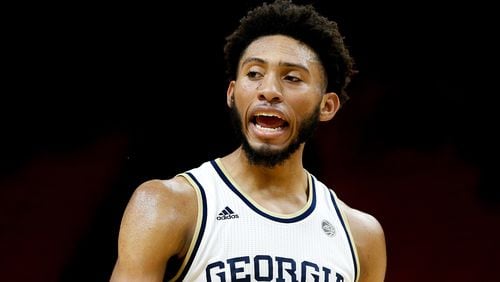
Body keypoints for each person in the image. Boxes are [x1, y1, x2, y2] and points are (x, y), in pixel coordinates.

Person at [110, 0, 387, 281]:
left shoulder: (360, 236)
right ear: (232, 94)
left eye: (292, 78)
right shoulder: (170, 205)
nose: (268, 90)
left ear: (327, 106)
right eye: (254, 74)